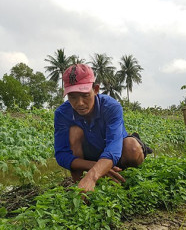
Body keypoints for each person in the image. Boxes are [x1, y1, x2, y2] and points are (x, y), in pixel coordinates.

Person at [54, 63, 152, 192]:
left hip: (117, 154)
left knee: (132, 149)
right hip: (90, 158)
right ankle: (80, 188)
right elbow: (62, 154)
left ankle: (123, 178)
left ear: (95, 89)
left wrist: (93, 176)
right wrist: (94, 167)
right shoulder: (62, 114)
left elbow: (113, 149)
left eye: (85, 95)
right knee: (74, 132)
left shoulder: (111, 107)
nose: (79, 103)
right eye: (72, 97)